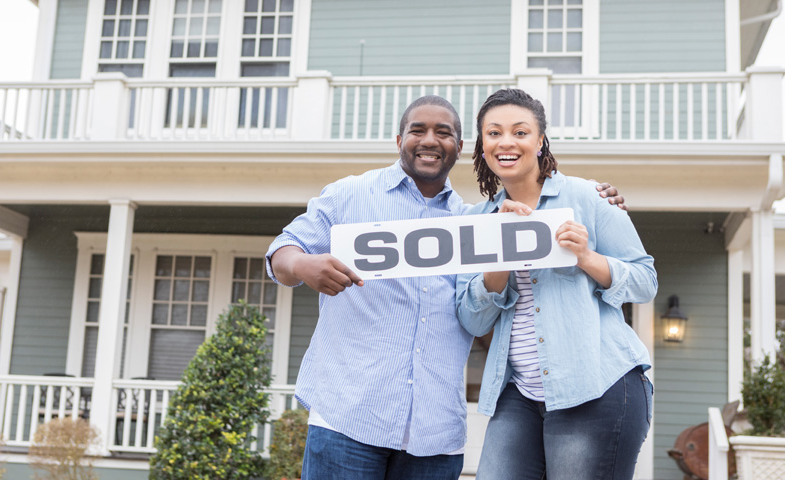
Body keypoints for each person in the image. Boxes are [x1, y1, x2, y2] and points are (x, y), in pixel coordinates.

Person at [266, 95, 625, 480]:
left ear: (460, 147)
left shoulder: (473, 221)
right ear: (399, 139)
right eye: (417, 130)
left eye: (444, 132)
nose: (430, 140)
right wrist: (304, 265)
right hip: (348, 419)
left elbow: (482, 310)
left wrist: (596, 200)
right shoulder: (348, 195)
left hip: (435, 436)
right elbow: (281, 255)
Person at [456, 88, 657, 480]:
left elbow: (645, 281)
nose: (506, 142)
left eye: (520, 131)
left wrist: (586, 258)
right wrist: (499, 256)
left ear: (540, 140)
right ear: (482, 146)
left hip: (596, 385)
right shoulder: (480, 220)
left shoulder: (588, 197)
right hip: (518, 394)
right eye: (494, 133)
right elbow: (473, 321)